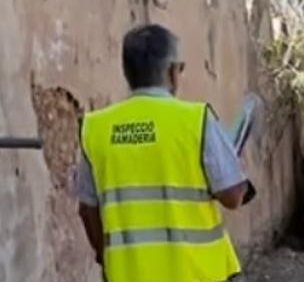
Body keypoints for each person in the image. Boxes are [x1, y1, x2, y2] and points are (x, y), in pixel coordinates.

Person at [76, 24, 250, 282]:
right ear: (172, 72)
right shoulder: (196, 120)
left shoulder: (96, 127)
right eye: (181, 68)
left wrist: (106, 258)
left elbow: (87, 210)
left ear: (127, 72)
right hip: (198, 273)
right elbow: (232, 197)